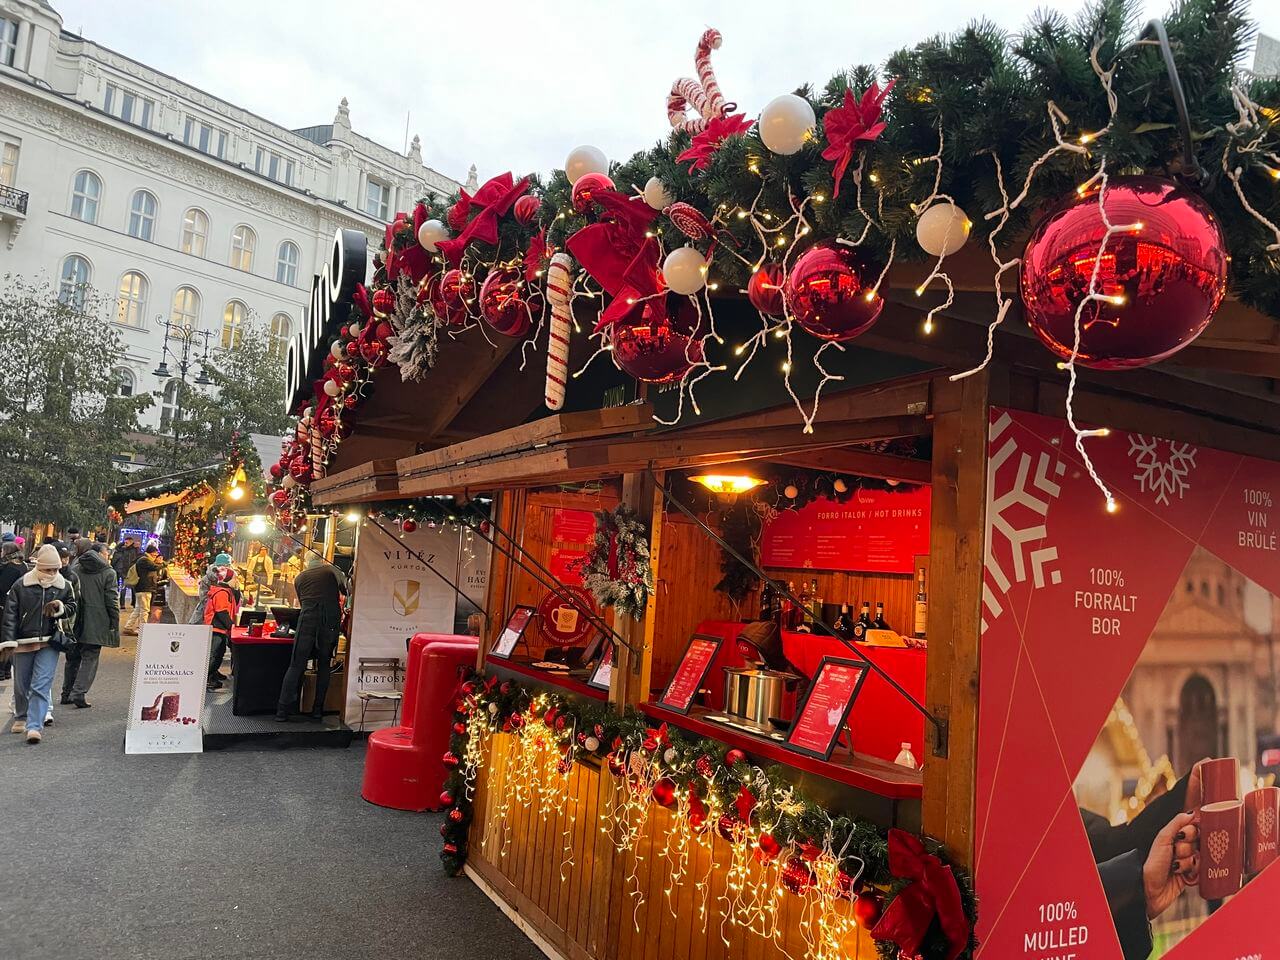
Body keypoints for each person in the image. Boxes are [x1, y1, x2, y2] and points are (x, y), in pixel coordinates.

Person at [0, 544, 78, 744]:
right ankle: (21, 716)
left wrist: (60, 607)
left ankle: (34, 726)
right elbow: (9, 616)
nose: (52, 573)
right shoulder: (20, 585)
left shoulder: (64, 585)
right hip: (22, 641)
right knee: (21, 683)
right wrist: (8, 641)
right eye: (48, 569)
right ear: (39, 567)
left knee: (41, 684)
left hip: (49, 641)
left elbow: (73, 606)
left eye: (55, 569)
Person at [276, 554, 346, 722]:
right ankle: (317, 710)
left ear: (307, 563)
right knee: (324, 664)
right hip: (328, 622)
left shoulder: (300, 577)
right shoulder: (332, 571)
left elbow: (302, 602)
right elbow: (346, 590)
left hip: (306, 620)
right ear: (321, 560)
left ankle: (282, 711)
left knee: (296, 665)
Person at [62, 540, 119, 708]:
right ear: (101, 554)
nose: (108, 557)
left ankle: (66, 693)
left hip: (75, 619)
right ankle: (79, 692)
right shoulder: (108, 573)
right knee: (90, 656)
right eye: (107, 554)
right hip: (97, 620)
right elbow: (111, 600)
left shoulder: (75, 567)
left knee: (72, 656)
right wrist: (113, 622)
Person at [203, 566, 240, 690]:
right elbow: (221, 612)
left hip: (220, 628)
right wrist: (232, 626)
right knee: (215, 654)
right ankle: (207, 678)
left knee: (220, 652)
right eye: (235, 578)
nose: (237, 580)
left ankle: (213, 673)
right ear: (229, 579)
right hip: (216, 627)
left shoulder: (227, 591)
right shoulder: (222, 593)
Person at [123, 543, 165, 635]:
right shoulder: (145, 560)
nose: (156, 556)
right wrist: (163, 563)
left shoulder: (144, 559)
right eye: (155, 554)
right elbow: (155, 567)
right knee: (145, 610)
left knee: (138, 609)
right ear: (151, 553)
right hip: (145, 588)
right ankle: (142, 629)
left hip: (142, 588)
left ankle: (128, 626)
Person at [0, 542, 25, 682]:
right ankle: (7, 669)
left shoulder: (10, 568)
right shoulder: (22, 565)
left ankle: (1, 670)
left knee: (3, 637)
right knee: (9, 637)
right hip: (16, 607)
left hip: (4, 606)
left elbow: (3, 587)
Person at [189, 552, 234, 625]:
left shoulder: (230, 578)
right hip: (207, 615)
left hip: (222, 614)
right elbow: (204, 598)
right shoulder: (208, 579)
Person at [112, 536, 139, 606]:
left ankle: (133, 602)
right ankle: (122, 604)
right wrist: (123, 543)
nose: (125, 544)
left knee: (133, 587)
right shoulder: (123, 550)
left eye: (127, 542)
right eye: (125, 542)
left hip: (131, 571)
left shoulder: (134, 550)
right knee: (124, 587)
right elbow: (117, 548)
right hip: (124, 571)